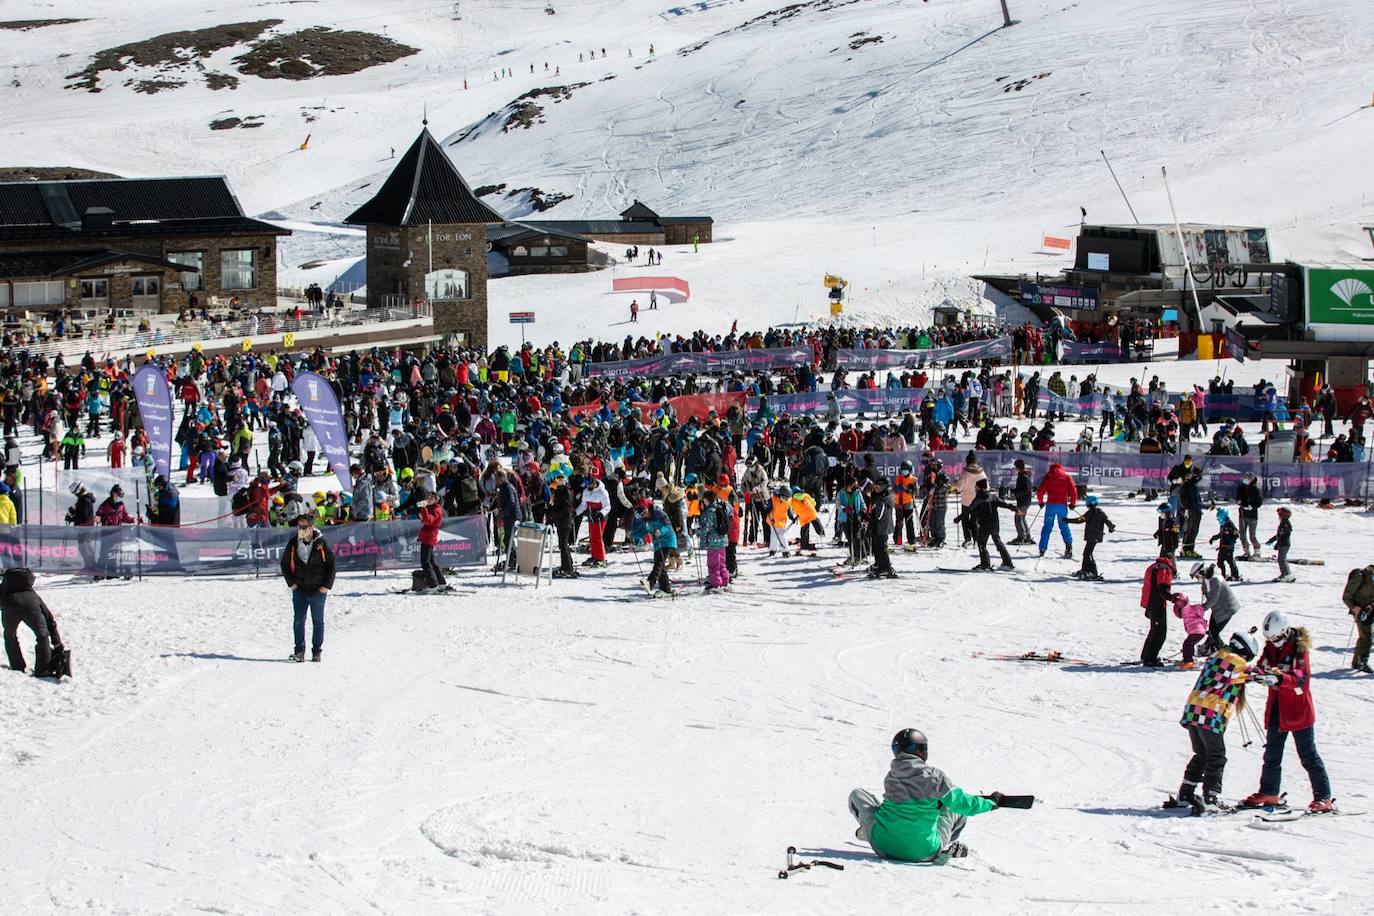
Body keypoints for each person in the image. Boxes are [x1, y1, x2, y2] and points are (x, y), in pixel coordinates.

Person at [848, 729, 1002, 863]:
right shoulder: (935, 776)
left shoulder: (891, 776)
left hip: (883, 847)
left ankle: (873, 832)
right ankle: (945, 845)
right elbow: (963, 804)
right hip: (924, 852)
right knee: (953, 805)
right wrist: (991, 803)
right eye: (923, 748)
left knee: (858, 794)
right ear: (919, 751)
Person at [1241, 612, 1335, 813]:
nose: (1273, 642)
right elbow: (1263, 666)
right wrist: (1254, 674)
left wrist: (1279, 678)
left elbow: (1301, 679)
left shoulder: (1299, 649)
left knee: (1308, 755)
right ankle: (1269, 792)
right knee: (1272, 754)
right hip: (1277, 710)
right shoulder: (1270, 647)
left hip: (1298, 711)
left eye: (1276, 638)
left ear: (1284, 632)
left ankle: (1323, 797)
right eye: (1270, 639)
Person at [1172, 630, 1259, 814]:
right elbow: (1256, 674)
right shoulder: (1235, 661)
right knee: (1216, 756)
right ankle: (1210, 798)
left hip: (1193, 710)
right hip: (1210, 713)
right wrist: (1278, 675)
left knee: (1202, 754)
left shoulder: (1217, 656)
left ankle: (1185, 793)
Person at [279, 512, 335, 663]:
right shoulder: (294, 543)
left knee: (318, 621)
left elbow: (331, 564)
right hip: (300, 589)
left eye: (304, 527)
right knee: (298, 620)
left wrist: (326, 586)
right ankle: (299, 651)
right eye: (299, 527)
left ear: (311, 527)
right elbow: (284, 564)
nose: (301, 530)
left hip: (318, 589)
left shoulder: (321, 543)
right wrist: (291, 583)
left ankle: (317, 652)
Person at [2, 567, 63, 676]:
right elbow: (49, 618)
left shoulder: (4, 589)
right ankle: (43, 669)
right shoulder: (32, 594)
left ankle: (17, 666)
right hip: (31, 605)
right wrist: (57, 642)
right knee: (42, 635)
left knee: (10, 635)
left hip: (9, 605)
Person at [953, 478, 1014, 571]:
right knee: (998, 542)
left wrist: (958, 518)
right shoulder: (992, 497)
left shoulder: (978, 499)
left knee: (981, 544)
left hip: (985, 525)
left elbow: (968, 510)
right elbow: (1004, 504)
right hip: (995, 524)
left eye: (976, 487)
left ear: (979, 488)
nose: (975, 488)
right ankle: (1007, 562)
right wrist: (1014, 508)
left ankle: (985, 564)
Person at [1189, 563, 1239, 654]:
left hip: (1227, 608)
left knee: (1214, 633)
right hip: (1219, 608)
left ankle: (1223, 652)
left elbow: (1213, 600)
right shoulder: (1208, 577)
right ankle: (1210, 647)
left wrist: (1201, 609)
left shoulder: (1214, 579)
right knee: (1212, 630)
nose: (1197, 579)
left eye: (1197, 576)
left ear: (1202, 572)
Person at [630, 499, 676, 596]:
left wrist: (660, 531)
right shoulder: (646, 520)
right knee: (660, 566)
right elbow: (644, 531)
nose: (643, 516)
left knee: (659, 563)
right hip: (658, 543)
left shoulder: (658, 513)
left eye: (644, 513)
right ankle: (666, 589)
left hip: (668, 541)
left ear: (647, 509)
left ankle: (650, 583)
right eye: (641, 516)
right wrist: (632, 535)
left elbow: (667, 526)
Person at [1139, 553, 1177, 667]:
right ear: (1170, 559)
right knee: (1160, 633)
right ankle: (1150, 659)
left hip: (1149, 603)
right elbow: (1163, 589)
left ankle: (1146, 656)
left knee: (1154, 631)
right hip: (1157, 604)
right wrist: (1174, 599)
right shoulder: (1164, 569)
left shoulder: (1153, 566)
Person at [1035, 462, 1076, 558]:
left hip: (1051, 506)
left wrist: (1041, 502)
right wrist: (1072, 503)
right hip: (1062, 505)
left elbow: (1040, 491)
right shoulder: (1066, 477)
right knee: (1064, 526)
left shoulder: (1048, 477)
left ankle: (1042, 549)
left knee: (1047, 527)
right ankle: (1069, 546)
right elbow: (1073, 491)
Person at [1070, 493, 1114, 581]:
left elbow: (1079, 520)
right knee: (1086, 553)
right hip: (1095, 536)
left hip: (1092, 536)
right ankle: (1085, 570)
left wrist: (1067, 520)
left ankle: (1094, 573)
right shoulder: (1100, 512)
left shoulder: (1090, 513)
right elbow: (1107, 521)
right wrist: (1111, 527)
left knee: (1088, 553)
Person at [1341, 562, 1374, 673]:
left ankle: (1357, 662)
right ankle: (1362, 662)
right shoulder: (1361, 576)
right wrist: (1354, 607)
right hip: (1361, 611)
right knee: (1366, 637)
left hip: (1370, 609)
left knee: (1364, 636)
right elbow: (1347, 595)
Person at [416, 493, 450, 592]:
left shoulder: (436, 509)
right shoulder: (432, 508)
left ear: (436, 500)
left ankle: (433, 584)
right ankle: (441, 582)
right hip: (428, 536)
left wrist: (423, 509)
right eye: (428, 497)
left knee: (425, 562)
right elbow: (426, 520)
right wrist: (422, 513)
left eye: (431, 498)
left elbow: (428, 521)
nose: (429, 499)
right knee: (431, 561)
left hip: (429, 537)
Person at [697, 488, 730, 590]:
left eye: (704, 499)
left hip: (713, 542)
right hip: (722, 539)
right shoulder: (721, 507)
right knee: (721, 563)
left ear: (707, 499)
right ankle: (725, 580)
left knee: (713, 564)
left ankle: (716, 583)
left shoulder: (709, 511)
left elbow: (706, 528)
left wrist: (698, 533)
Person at [1172, 592, 1209, 669]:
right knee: (1189, 645)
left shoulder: (1187, 609)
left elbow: (1187, 606)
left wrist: (1180, 598)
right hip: (1198, 632)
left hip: (1197, 631)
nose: (1179, 605)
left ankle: (1189, 661)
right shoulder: (1186, 613)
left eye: (1180, 603)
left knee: (1187, 644)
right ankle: (1189, 658)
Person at [1235, 472, 1263, 559]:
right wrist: (1238, 501)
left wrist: (1252, 507)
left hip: (1252, 515)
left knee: (1252, 536)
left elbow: (1259, 502)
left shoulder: (1256, 489)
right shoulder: (1241, 488)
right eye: (1244, 478)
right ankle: (1246, 551)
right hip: (1243, 514)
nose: (1245, 479)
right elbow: (1237, 498)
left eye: (1247, 478)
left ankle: (1257, 551)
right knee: (1242, 535)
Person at [1208, 509, 1241, 582]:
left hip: (1228, 547)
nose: (1218, 520)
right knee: (1220, 562)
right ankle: (1223, 575)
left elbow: (1236, 535)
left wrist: (1231, 543)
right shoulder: (1222, 525)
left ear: (1224, 517)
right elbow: (1221, 534)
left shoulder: (1230, 524)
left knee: (1230, 561)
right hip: (1222, 546)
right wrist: (1213, 538)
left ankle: (1235, 575)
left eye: (1219, 518)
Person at [1266, 506, 1294, 583]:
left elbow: (1280, 536)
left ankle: (1286, 575)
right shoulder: (1284, 523)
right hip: (1284, 544)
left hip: (1284, 544)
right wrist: (1273, 542)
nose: (1279, 517)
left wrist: (1274, 542)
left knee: (1281, 559)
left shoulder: (1284, 525)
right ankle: (1286, 574)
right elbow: (1279, 536)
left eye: (1280, 515)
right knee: (1282, 559)